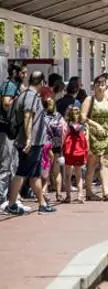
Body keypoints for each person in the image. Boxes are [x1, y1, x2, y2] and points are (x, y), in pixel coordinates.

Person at [4, 71, 56, 215]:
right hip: (30, 143)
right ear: (42, 82)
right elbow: (28, 117)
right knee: (23, 173)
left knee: (33, 175)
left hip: (33, 142)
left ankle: (41, 204)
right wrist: (28, 139)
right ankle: (13, 203)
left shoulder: (25, 95)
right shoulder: (30, 97)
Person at [81, 75, 108, 202]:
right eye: (99, 84)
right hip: (92, 135)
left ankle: (106, 192)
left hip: (106, 136)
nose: (101, 87)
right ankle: (89, 192)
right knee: (92, 164)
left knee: (105, 163)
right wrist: (95, 124)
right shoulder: (89, 100)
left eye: (104, 85)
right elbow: (82, 117)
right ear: (94, 86)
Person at [0, 64, 30, 212]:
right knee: (6, 165)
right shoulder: (10, 86)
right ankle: (2, 198)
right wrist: (19, 97)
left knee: (12, 164)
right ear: (15, 73)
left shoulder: (14, 86)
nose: (25, 75)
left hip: (12, 130)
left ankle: (11, 197)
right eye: (23, 72)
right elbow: (6, 104)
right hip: (7, 130)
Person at [63, 106, 88, 203]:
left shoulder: (68, 125)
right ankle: (80, 195)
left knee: (68, 174)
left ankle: (68, 196)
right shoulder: (83, 126)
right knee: (79, 174)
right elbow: (86, 141)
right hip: (79, 152)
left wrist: (62, 150)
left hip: (69, 152)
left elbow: (64, 138)